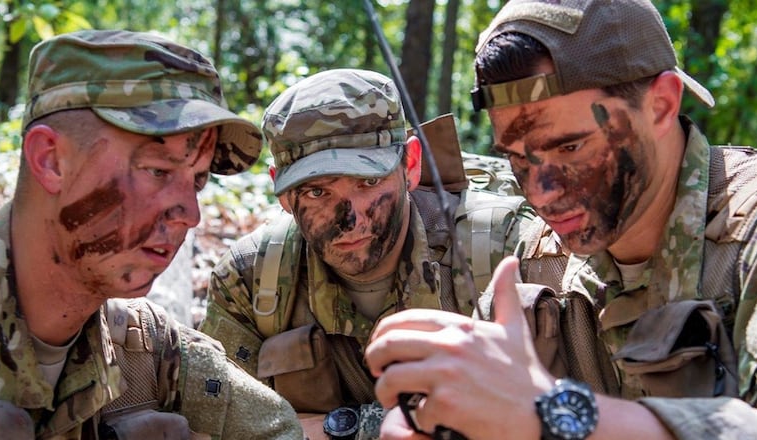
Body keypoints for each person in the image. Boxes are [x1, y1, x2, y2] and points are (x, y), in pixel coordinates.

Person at [364, 0, 757, 439]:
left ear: (662, 105)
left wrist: (549, 413)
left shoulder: (750, 233)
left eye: (570, 148)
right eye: (517, 158)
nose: (541, 194)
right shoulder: (539, 259)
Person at [0, 30, 303, 439]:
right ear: (51, 160)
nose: (190, 214)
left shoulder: (150, 350)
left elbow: (279, 430)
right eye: (158, 171)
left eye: (197, 180)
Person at [199, 68, 534, 439]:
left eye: (368, 182)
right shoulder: (250, 279)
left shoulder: (507, 251)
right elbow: (218, 423)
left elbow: (563, 410)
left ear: (410, 165)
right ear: (282, 192)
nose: (350, 220)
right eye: (317, 193)